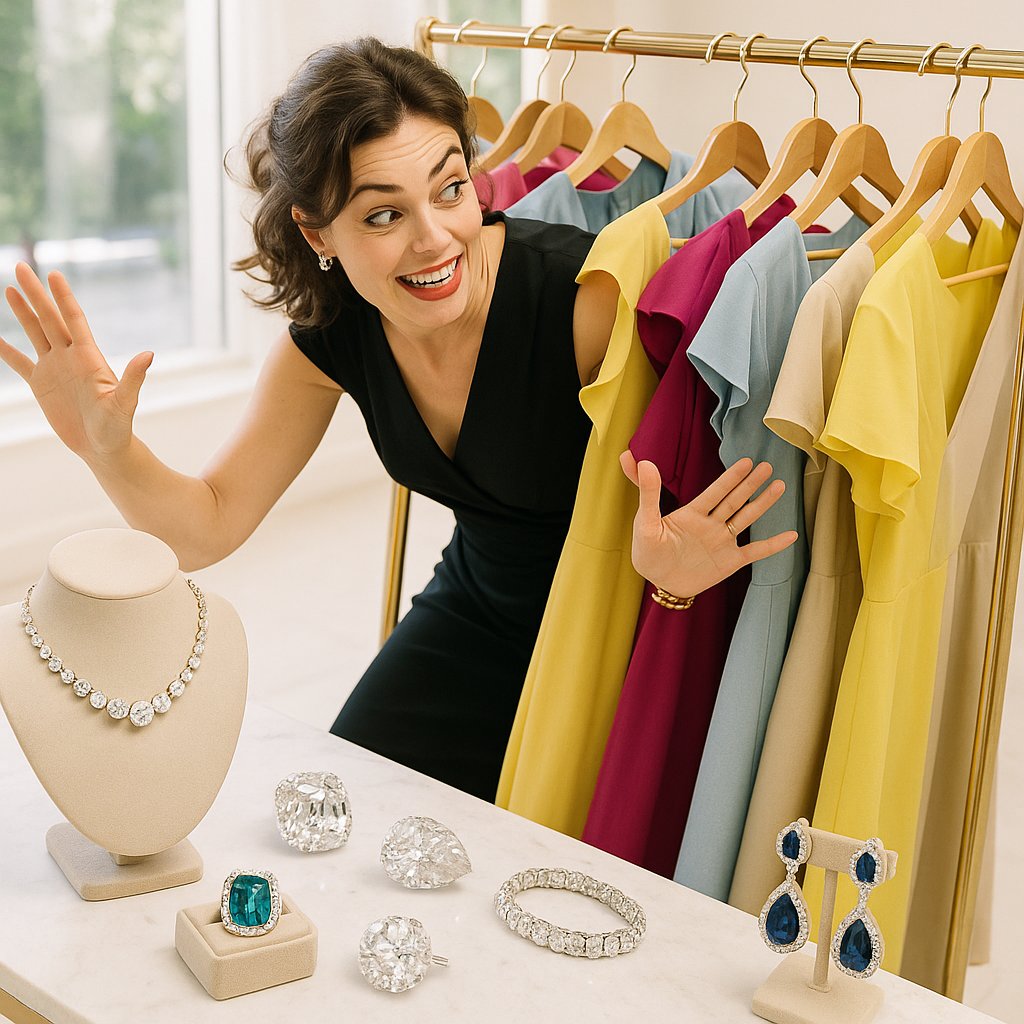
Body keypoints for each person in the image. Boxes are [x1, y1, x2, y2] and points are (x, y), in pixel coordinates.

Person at [0, 38, 796, 801]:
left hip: (619, 624)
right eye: (384, 216)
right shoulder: (332, 337)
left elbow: (711, 517)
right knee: (339, 804)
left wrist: (672, 577)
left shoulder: (584, 306)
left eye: (450, 190)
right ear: (316, 231)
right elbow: (207, 526)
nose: (435, 239)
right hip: (477, 611)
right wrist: (107, 448)